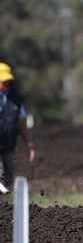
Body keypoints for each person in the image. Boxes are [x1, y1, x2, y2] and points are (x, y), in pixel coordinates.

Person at [0, 63, 35, 194]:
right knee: (0, 176)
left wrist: (29, 144)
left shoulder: (15, 98)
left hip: (9, 145)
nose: (6, 83)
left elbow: (22, 123)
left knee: (8, 179)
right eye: (3, 81)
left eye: (8, 81)